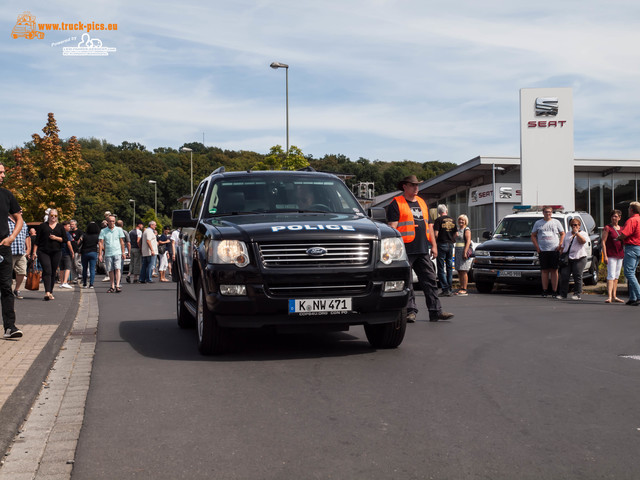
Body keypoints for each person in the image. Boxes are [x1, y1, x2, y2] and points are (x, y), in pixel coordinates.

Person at [387, 175, 454, 323]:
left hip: (422, 249)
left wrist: (434, 246)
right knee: (408, 282)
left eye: (417, 185)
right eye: (413, 185)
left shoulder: (423, 203)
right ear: (404, 186)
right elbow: (393, 228)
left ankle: (436, 311)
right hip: (404, 250)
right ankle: (410, 312)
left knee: (430, 280)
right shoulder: (396, 203)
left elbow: (429, 226)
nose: (416, 188)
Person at [0, 162, 24, 338]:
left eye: (3, 172)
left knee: (6, 287)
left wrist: (11, 238)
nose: (3, 175)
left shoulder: (6, 195)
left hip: (3, 248)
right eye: (0, 172)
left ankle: (10, 327)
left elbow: (19, 219)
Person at [531, 206, 565, 297]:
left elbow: (562, 233)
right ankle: (545, 290)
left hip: (554, 249)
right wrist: (537, 247)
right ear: (543, 213)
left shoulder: (556, 222)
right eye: (546, 212)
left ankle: (554, 291)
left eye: (550, 212)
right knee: (545, 271)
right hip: (543, 250)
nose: (548, 213)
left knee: (554, 270)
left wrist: (560, 244)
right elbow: (533, 235)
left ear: (552, 213)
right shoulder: (538, 223)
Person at [32, 208, 66, 301]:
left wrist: (56, 238)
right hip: (43, 251)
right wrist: (34, 252)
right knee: (47, 270)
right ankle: (47, 292)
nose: (53, 217)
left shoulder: (60, 227)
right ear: (48, 216)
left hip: (56, 251)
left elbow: (65, 239)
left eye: (55, 216)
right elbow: (37, 241)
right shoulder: (42, 226)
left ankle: (50, 291)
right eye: (52, 215)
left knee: (53, 271)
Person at [557, 218, 589, 300]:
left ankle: (577, 294)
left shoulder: (583, 233)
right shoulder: (567, 234)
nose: (574, 226)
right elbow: (563, 246)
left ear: (579, 225)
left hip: (580, 258)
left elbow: (582, 241)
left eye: (576, 225)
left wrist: (576, 233)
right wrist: (561, 254)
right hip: (568, 258)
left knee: (577, 275)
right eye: (572, 225)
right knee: (564, 276)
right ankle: (563, 294)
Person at [616, 201, 640, 306]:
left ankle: (638, 295)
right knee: (632, 272)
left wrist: (618, 237)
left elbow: (625, 233)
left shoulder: (632, 220)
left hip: (632, 248)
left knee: (629, 273)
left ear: (631, 210)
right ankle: (633, 297)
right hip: (638, 247)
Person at [601, 209, 625, 303]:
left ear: (619, 218)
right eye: (612, 216)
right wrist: (605, 255)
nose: (614, 218)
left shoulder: (622, 228)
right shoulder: (608, 228)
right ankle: (609, 296)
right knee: (611, 275)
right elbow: (603, 241)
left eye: (616, 216)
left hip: (620, 254)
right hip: (611, 254)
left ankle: (615, 296)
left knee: (616, 276)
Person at [433, 204, 456, 296]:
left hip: (441, 244)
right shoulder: (453, 220)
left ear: (439, 212)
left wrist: (435, 242)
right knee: (449, 267)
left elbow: (435, 234)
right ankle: (450, 288)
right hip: (450, 244)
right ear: (446, 210)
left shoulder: (438, 220)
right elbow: (456, 234)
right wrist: (451, 239)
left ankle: (445, 289)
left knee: (441, 268)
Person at [98, 215, 125, 293]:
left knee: (117, 268)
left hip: (117, 252)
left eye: (113, 221)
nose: (112, 223)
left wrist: (123, 252)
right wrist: (100, 254)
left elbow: (122, 242)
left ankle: (117, 285)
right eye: (110, 221)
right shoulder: (103, 231)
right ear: (107, 222)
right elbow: (100, 243)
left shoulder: (119, 230)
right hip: (108, 253)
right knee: (110, 270)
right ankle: (112, 285)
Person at [8, 210, 30, 299]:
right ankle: (7, 291)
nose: (21, 213)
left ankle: (16, 289)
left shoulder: (23, 223)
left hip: (21, 252)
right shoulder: (5, 221)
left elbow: (27, 236)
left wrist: (28, 249)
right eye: (19, 211)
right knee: (7, 273)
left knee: (22, 272)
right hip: (9, 252)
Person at [454, 214, 473, 296]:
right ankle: (461, 287)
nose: (461, 221)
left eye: (462, 220)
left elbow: (468, 241)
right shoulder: (458, 230)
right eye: (459, 220)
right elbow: (453, 239)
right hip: (457, 250)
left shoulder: (467, 229)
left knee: (463, 270)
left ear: (466, 221)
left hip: (463, 250)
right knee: (459, 269)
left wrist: (465, 252)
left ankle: (464, 288)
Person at [78, 221, 100, 288]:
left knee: (84, 268)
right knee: (92, 269)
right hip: (93, 252)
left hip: (84, 253)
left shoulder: (84, 235)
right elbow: (100, 244)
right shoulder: (97, 236)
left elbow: (79, 243)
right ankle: (91, 284)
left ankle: (84, 284)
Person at [59, 221, 75, 289]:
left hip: (60, 252)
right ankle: (65, 282)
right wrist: (72, 252)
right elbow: (69, 243)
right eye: (68, 226)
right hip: (66, 252)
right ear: (64, 226)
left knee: (61, 268)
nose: (69, 227)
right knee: (68, 267)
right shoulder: (67, 233)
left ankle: (62, 282)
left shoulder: (59, 233)